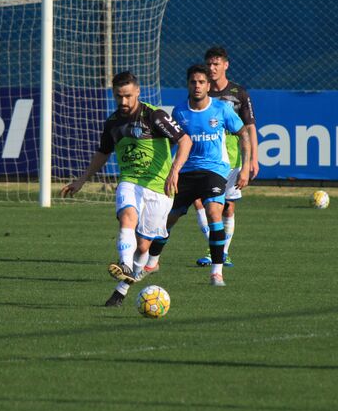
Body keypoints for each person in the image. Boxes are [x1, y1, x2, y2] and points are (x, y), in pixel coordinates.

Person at [60, 71, 191, 307]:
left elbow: (185, 141)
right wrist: (81, 180)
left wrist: (175, 171)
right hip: (130, 181)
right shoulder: (113, 122)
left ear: (138, 92)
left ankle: (120, 291)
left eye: (128, 96)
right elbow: (103, 152)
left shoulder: (154, 116)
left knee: (143, 246)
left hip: (159, 187)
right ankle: (125, 264)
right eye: (119, 96)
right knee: (127, 217)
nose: (123, 102)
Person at [145, 64, 251, 287]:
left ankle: (217, 272)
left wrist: (246, 165)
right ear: (188, 84)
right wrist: (171, 170)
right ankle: (153, 262)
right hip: (186, 171)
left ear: (208, 85)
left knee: (214, 212)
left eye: (201, 82)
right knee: (168, 219)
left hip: (214, 170)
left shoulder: (221, 109)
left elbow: (243, 134)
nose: (197, 86)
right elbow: (175, 144)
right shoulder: (179, 111)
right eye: (193, 82)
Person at [194, 46, 259, 268]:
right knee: (201, 203)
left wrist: (252, 161)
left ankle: (222, 253)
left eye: (216, 64)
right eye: (209, 64)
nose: (212, 68)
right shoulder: (201, 91)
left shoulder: (239, 93)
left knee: (227, 207)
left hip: (232, 159)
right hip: (204, 158)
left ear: (225, 65)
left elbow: (249, 128)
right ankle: (216, 250)